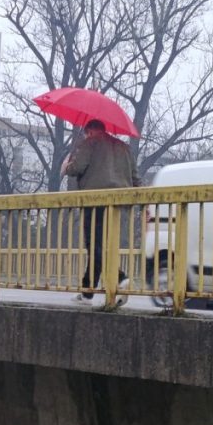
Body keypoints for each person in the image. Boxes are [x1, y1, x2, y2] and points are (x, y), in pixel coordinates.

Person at [62, 119, 141, 305]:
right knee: (102, 246)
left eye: (86, 133)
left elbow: (77, 168)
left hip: (95, 200)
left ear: (90, 130)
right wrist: (144, 205)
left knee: (95, 245)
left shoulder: (90, 143)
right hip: (118, 203)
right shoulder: (124, 147)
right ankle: (87, 292)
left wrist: (67, 166)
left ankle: (120, 277)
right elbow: (135, 177)